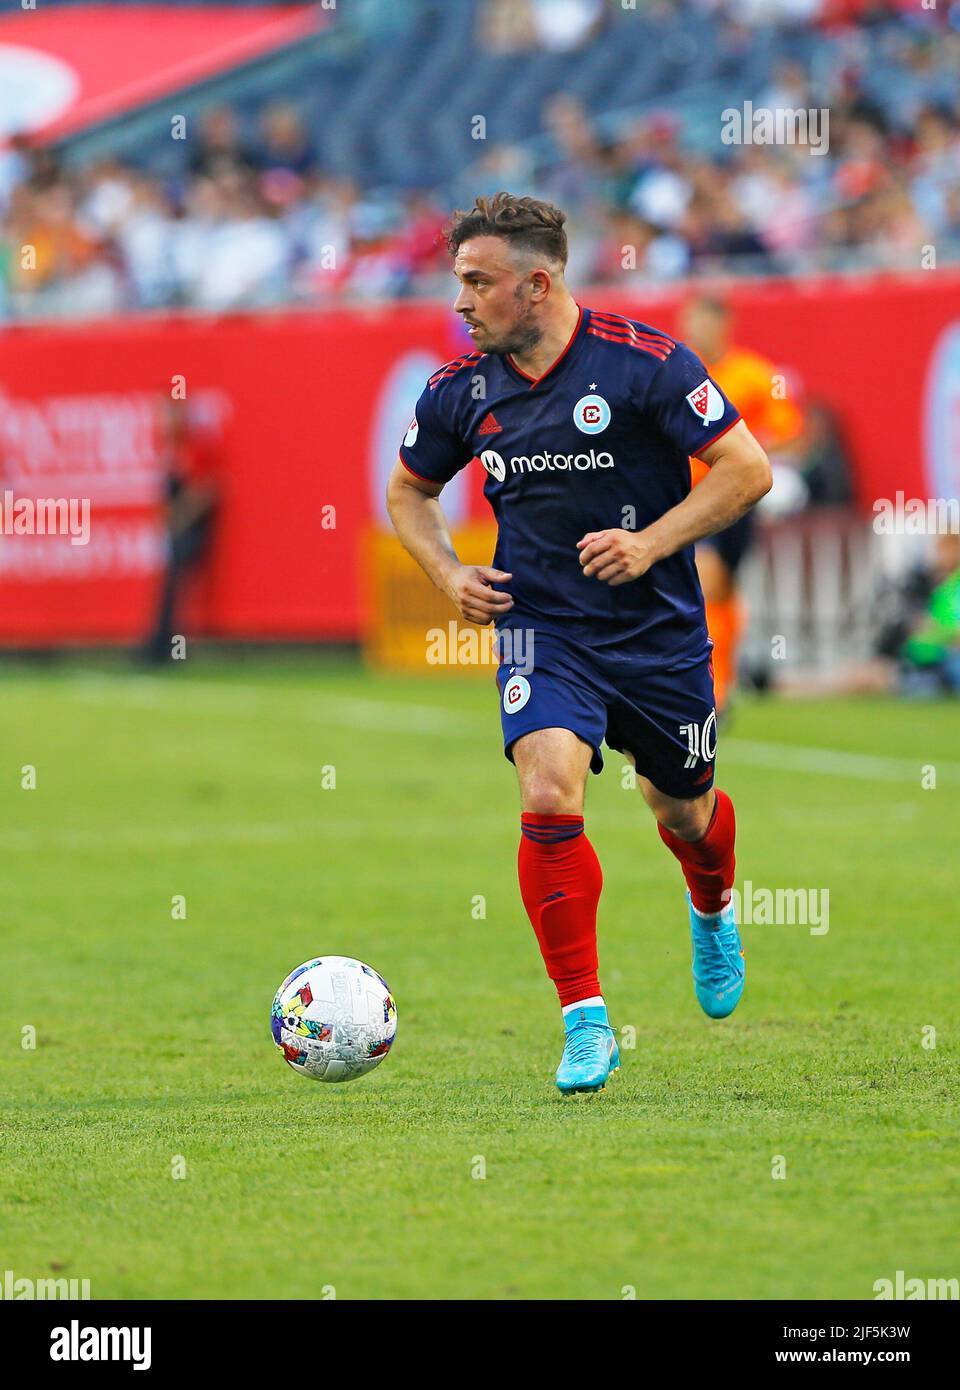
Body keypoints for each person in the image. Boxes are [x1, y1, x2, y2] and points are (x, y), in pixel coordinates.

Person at [386, 193, 771, 1095]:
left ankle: (712, 903)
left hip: (658, 633)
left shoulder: (646, 365)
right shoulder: (459, 391)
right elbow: (409, 494)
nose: (462, 302)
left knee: (682, 811)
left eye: (478, 283)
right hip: (540, 627)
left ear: (539, 282)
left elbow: (749, 471)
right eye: (459, 282)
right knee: (549, 786)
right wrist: (448, 575)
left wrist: (651, 541)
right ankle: (585, 1019)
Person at [680, 294, 803, 713]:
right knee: (707, 581)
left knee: (724, 589)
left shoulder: (752, 374)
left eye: (702, 321)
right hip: (688, 499)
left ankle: (723, 680)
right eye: (690, 321)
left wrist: (748, 448)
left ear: (723, 325)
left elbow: (788, 430)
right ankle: (710, 688)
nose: (694, 330)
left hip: (734, 498)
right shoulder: (679, 371)